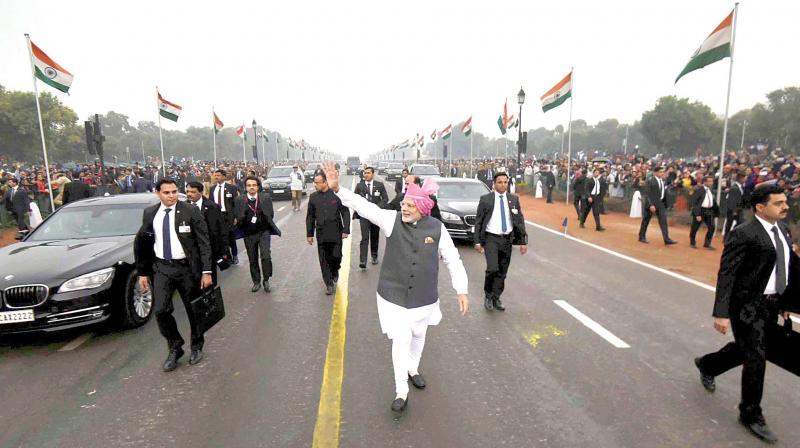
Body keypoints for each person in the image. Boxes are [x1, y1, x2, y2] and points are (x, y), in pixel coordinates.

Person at [322, 161, 469, 413]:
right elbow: (365, 207)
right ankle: (401, 390)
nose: (405, 209)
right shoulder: (392, 220)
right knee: (401, 340)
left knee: (419, 335)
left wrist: (461, 289)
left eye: (410, 206)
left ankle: (413, 368)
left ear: (422, 208)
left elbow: (452, 258)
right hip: (394, 296)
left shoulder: (438, 228)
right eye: (404, 204)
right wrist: (338, 189)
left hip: (424, 297)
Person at [694, 184, 798, 444]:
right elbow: (727, 273)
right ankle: (750, 414)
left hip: (772, 304)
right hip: (746, 305)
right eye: (778, 203)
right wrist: (721, 312)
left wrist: (789, 303)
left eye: (785, 201)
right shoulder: (744, 233)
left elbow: (788, 268)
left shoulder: (784, 230)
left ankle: (708, 364)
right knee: (755, 356)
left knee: (746, 349)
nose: (785, 206)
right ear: (760, 208)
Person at [134, 179, 214, 371]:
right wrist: (142, 272)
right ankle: (175, 346)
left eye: (174, 192)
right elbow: (142, 244)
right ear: (158, 194)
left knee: (193, 310)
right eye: (166, 192)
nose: (171, 196)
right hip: (162, 268)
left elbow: (204, 242)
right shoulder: (150, 213)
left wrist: (206, 271)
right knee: (161, 310)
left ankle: (196, 345)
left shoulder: (190, 210)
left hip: (187, 269)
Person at [474, 172, 528, 312]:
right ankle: (488, 296)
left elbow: (519, 220)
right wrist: (477, 241)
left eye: (505, 182)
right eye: (500, 182)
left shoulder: (514, 199)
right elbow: (479, 221)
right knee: (492, 268)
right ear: (494, 183)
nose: (503, 185)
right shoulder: (486, 199)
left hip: (507, 239)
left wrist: (523, 241)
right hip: (491, 238)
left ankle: (496, 297)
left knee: (502, 271)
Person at [234, 176, 281, 293]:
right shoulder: (240, 200)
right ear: (245, 187)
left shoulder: (265, 198)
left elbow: (271, 214)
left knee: (265, 256)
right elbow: (237, 216)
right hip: (248, 233)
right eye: (249, 185)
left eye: (254, 185)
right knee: (252, 259)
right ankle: (256, 281)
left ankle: (266, 280)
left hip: (263, 232)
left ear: (258, 187)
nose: (251, 188)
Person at [306, 172, 350, 295]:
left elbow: (345, 212)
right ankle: (329, 283)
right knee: (324, 259)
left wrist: (346, 229)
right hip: (321, 234)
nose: (315, 185)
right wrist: (309, 234)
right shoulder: (313, 197)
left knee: (336, 256)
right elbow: (310, 217)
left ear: (325, 182)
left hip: (336, 233)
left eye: (317, 182)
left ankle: (335, 271)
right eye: (314, 182)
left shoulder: (336, 195)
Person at [185, 181, 229, 286]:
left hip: (210, 251)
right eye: (187, 191)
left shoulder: (212, 207)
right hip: (190, 253)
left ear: (200, 192)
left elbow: (221, 230)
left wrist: (224, 251)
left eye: (193, 192)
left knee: (209, 283)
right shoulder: (183, 208)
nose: (189, 194)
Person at [353, 167, 388, 269]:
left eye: (368, 173)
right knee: (364, 237)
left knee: (374, 236)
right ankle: (363, 260)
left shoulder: (379, 185)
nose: (366, 175)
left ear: (373, 174)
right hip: (364, 216)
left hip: (375, 215)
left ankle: (374, 256)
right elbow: (355, 199)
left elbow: (385, 198)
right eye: (365, 173)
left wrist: (377, 207)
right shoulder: (360, 186)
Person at [638, 166, 677, 245]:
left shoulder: (663, 181)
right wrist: (651, 205)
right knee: (646, 220)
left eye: (663, 172)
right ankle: (641, 236)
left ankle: (666, 239)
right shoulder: (650, 181)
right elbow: (647, 194)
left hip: (660, 203)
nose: (662, 173)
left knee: (663, 221)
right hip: (651, 203)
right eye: (660, 172)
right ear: (655, 173)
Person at [209, 169, 240, 264]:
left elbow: (236, 203)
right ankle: (227, 257)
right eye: (215, 175)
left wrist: (236, 217)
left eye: (218, 175)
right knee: (221, 238)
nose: (216, 177)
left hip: (228, 216)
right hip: (217, 216)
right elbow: (210, 203)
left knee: (231, 237)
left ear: (223, 176)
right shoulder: (212, 189)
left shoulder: (231, 188)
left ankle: (235, 255)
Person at [689, 175, 719, 249]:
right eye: (709, 181)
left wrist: (716, 211)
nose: (711, 183)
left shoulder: (711, 190)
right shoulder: (699, 190)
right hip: (700, 211)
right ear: (705, 182)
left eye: (712, 181)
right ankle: (692, 242)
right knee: (695, 227)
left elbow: (713, 201)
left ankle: (707, 243)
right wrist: (697, 214)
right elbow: (694, 202)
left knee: (712, 227)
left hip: (709, 211)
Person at [725, 172, 746, 238]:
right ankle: (727, 237)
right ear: (740, 179)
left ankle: (729, 236)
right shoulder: (735, 188)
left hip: (738, 209)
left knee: (739, 222)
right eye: (744, 178)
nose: (745, 180)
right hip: (733, 209)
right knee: (730, 223)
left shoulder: (739, 187)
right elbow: (732, 200)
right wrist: (734, 210)